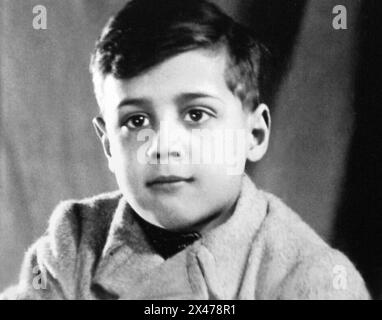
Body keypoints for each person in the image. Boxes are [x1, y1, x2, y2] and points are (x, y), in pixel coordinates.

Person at [0, 0, 370, 299]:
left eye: (196, 114)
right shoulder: (75, 244)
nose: (163, 147)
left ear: (253, 135)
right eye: (136, 121)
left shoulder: (314, 280)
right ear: (109, 143)